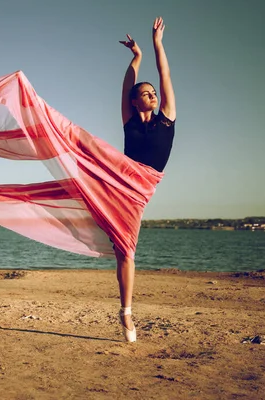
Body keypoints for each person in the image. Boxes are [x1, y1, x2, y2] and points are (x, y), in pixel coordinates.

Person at [116, 17, 176, 342]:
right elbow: (126, 86)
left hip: (140, 190)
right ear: (135, 102)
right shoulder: (129, 122)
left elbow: (164, 75)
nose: (152, 95)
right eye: (145, 93)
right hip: (118, 183)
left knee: (127, 250)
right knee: (123, 250)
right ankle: (126, 313)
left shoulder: (167, 119)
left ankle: (124, 310)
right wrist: (135, 59)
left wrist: (156, 45)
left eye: (153, 92)